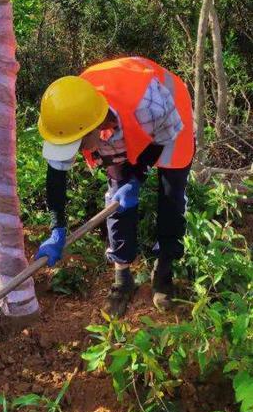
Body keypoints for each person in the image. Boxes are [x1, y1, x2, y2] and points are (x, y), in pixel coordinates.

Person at [35, 56, 195, 316]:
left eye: (77, 145)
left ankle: (164, 271)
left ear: (94, 128)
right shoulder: (68, 112)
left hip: (170, 119)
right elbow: (56, 177)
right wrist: (57, 229)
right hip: (117, 119)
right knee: (117, 199)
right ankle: (123, 278)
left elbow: (164, 138)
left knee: (171, 195)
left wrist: (138, 176)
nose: (73, 153)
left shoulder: (149, 106)